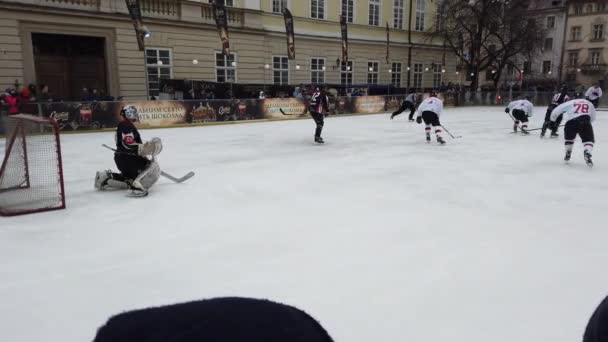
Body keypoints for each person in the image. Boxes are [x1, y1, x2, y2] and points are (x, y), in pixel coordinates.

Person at [94, 105, 163, 197]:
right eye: (133, 112)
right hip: (129, 159)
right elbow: (128, 144)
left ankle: (105, 178)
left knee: (130, 178)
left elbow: (127, 143)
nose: (135, 114)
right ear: (129, 114)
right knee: (149, 169)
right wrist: (145, 148)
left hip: (124, 159)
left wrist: (142, 151)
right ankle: (136, 188)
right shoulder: (125, 125)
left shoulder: (125, 125)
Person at [549, 96, 596, 167]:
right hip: (585, 121)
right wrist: (587, 123)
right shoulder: (589, 103)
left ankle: (568, 152)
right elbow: (593, 117)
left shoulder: (570, 102)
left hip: (570, 122)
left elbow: (557, 110)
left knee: (569, 139)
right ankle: (587, 152)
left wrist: (552, 121)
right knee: (588, 140)